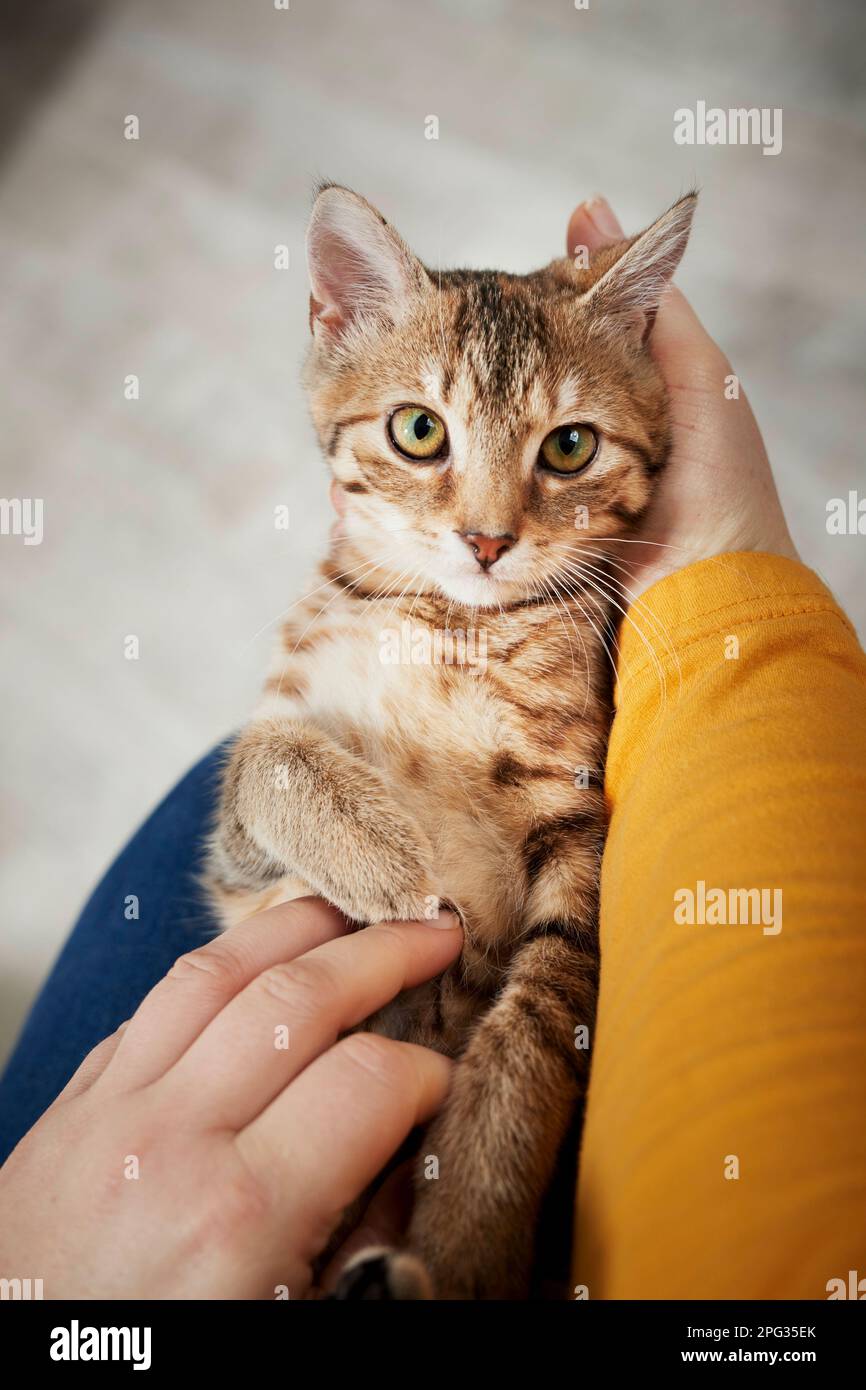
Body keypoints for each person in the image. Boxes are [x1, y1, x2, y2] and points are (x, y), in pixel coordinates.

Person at [1, 198, 864, 1300]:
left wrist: (492, 1154)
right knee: (252, 769)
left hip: (405, 1111)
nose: (489, 524)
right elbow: (251, 849)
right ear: (335, 332)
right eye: (423, 435)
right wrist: (280, 774)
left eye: (564, 447)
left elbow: (572, 908)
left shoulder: (571, 628)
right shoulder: (368, 590)